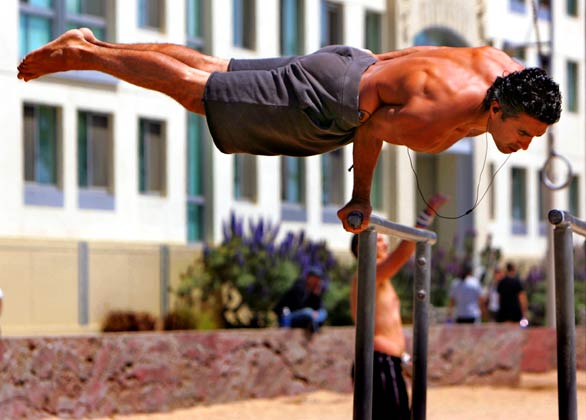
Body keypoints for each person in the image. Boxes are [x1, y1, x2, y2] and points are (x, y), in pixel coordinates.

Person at [17, 29, 562, 233]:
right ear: (497, 110)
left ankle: (96, 44)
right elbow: (370, 132)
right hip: (328, 99)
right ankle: (86, 56)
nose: (525, 145)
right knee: (197, 94)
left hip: (348, 61)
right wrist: (361, 198)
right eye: (523, 132)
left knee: (216, 68)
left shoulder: (500, 65)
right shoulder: (437, 123)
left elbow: (411, 58)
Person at [349, 193, 448, 420]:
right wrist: (425, 218)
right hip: (379, 361)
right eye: (380, 239)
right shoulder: (369, 271)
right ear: (364, 245)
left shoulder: (379, 278)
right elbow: (402, 254)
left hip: (387, 361)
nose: (384, 242)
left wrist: (402, 357)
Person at [273, 266, 328, 333]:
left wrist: (315, 296)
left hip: (308, 316)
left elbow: (319, 307)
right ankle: (314, 324)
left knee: (323, 312)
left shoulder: (314, 290)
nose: (318, 281)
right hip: (291, 316)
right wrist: (312, 313)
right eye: (316, 278)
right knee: (308, 312)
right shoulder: (299, 287)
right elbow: (299, 307)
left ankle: (314, 324)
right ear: (309, 278)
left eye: (319, 279)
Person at [497, 262, 529, 326]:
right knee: (516, 331)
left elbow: (499, 298)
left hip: (504, 312)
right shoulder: (517, 281)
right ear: (513, 269)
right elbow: (522, 297)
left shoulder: (501, 282)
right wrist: (524, 312)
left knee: (505, 331)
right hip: (515, 312)